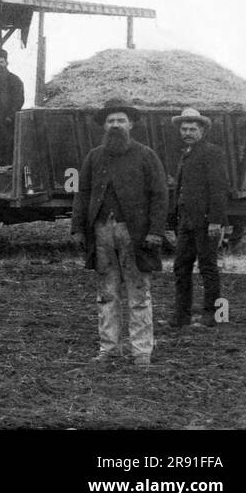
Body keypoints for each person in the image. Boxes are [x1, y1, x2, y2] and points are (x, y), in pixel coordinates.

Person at [71, 99, 169, 367]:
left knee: (139, 293)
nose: (115, 125)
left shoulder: (146, 155)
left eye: (121, 120)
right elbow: (83, 194)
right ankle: (109, 349)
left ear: (131, 124)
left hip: (135, 235)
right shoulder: (94, 156)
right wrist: (78, 228)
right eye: (111, 121)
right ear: (104, 125)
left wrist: (155, 232)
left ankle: (141, 352)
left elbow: (160, 196)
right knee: (106, 293)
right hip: (101, 233)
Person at [168, 107, 230, 328]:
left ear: (202, 130)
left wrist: (215, 220)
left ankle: (211, 314)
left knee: (207, 267)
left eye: (192, 129)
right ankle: (181, 315)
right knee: (181, 267)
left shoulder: (212, 153)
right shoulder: (187, 153)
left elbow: (218, 189)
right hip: (186, 221)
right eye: (184, 129)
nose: (187, 132)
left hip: (205, 222)